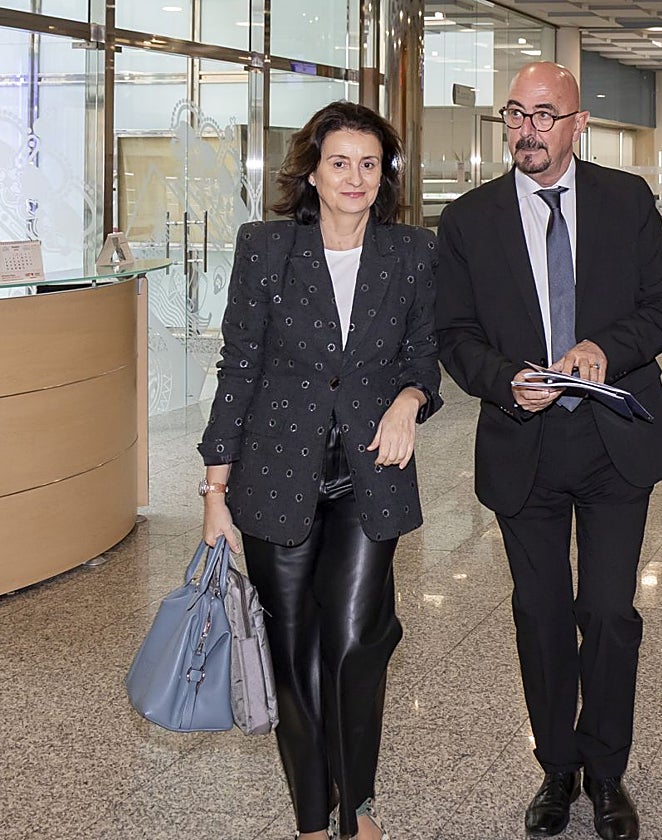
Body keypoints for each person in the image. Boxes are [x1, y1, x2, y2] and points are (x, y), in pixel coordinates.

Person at [435, 62, 662, 840]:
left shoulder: (625, 200)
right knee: (540, 615)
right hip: (525, 444)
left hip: (615, 439)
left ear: (579, 125)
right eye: (515, 115)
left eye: (545, 116)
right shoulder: (470, 219)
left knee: (607, 612)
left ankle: (607, 771)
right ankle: (556, 767)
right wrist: (506, 379)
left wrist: (605, 351)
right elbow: (454, 336)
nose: (527, 130)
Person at [198, 101, 442, 840]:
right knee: (292, 651)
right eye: (340, 161)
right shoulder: (266, 248)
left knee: (354, 640)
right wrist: (215, 488)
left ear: (385, 176)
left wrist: (407, 401)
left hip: (369, 475)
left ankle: (357, 806)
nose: (355, 177)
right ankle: (313, 814)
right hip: (276, 476)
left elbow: (423, 359)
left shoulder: (411, 253)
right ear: (311, 170)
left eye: (370, 164)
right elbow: (238, 366)